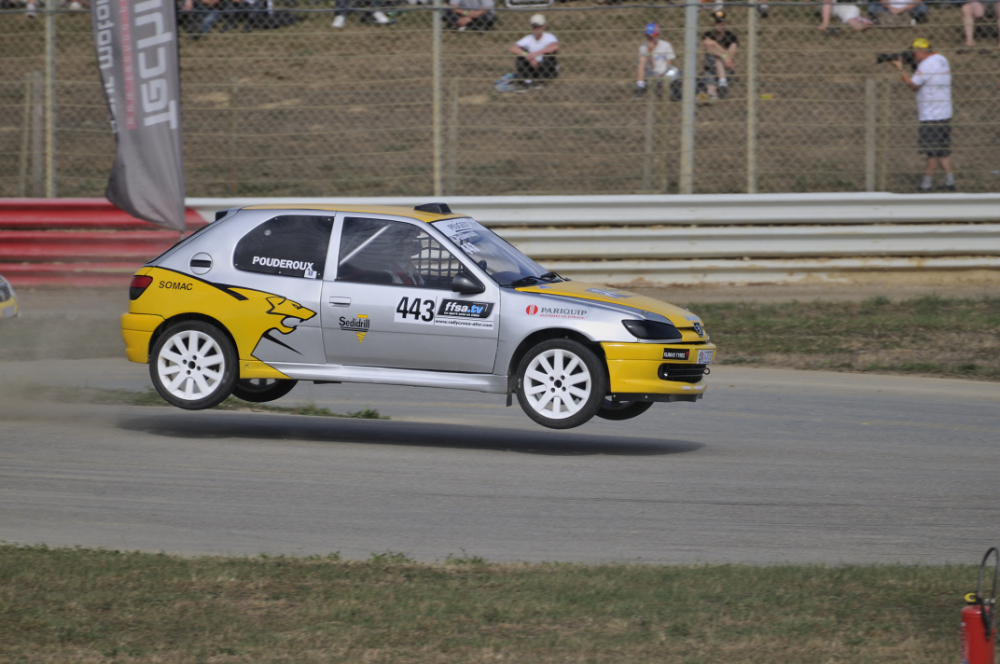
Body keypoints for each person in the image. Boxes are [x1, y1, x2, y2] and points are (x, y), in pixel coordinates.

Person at [892, 38, 955, 191]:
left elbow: (912, 85)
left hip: (932, 114)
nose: (914, 56)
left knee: (932, 152)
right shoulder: (941, 59)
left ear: (921, 52)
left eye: (915, 53)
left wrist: (900, 69)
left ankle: (925, 186)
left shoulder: (927, 64)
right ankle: (950, 183)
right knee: (942, 151)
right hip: (945, 112)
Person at [508, 14, 559, 86]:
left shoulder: (549, 37)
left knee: (549, 55)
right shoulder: (528, 38)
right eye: (535, 26)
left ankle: (542, 80)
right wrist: (528, 56)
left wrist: (536, 53)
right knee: (521, 54)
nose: (537, 29)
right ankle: (527, 80)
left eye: (539, 26)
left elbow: (554, 46)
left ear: (544, 26)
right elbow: (513, 48)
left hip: (546, 67)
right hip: (532, 66)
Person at [698, 10, 737, 103]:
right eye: (717, 22)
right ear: (713, 24)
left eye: (722, 22)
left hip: (726, 68)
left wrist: (715, 46)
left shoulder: (731, 36)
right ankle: (712, 96)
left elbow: (731, 55)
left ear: (726, 23)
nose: (720, 25)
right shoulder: (708, 34)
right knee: (710, 86)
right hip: (710, 69)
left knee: (716, 57)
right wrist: (723, 55)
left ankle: (722, 83)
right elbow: (708, 46)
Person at [635, 23, 677, 98]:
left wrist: (663, 75)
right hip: (652, 72)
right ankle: (640, 86)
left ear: (657, 35)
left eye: (652, 36)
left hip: (665, 72)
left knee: (673, 71)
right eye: (647, 36)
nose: (649, 38)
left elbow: (670, 64)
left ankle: (666, 88)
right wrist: (650, 51)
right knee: (642, 58)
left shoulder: (666, 45)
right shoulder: (643, 47)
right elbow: (652, 67)